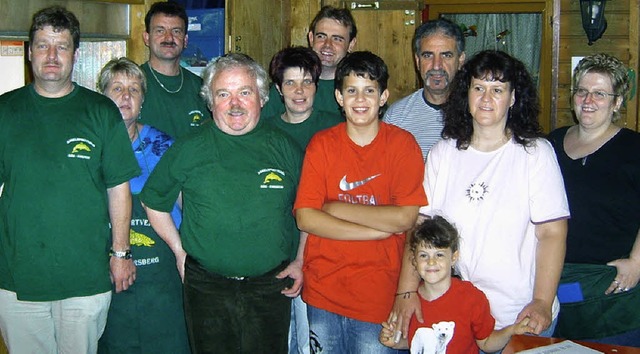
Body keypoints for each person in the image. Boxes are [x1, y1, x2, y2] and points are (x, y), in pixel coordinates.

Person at [389, 50, 570, 348]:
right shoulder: (443, 153)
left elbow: (552, 233)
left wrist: (541, 301)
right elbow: (421, 230)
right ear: (466, 95)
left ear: (512, 98)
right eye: (478, 88)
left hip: (520, 316)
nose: (487, 98)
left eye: (498, 90)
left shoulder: (536, 154)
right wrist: (406, 293)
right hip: (459, 315)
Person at [140, 53, 304, 353]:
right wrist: (179, 252)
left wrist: (301, 260)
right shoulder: (189, 147)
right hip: (206, 287)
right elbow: (153, 201)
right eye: (223, 94)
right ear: (210, 101)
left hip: (270, 287)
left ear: (262, 97)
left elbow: (309, 211)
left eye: (245, 92)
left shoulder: (286, 148)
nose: (235, 103)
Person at [0, 6, 140, 353]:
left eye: (61, 46)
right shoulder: (5, 111)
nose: (51, 55)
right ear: (29, 50)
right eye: (43, 45)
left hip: (86, 277)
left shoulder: (101, 111)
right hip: (16, 276)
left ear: (75, 54)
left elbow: (118, 187)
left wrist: (121, 252)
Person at [294, 51, 427, 353]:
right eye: (351, 90)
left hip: (379, 295)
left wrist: (335, 209)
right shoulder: (322, 144)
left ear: (384, 97)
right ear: (339, 97)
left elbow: (405, 218)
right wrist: (376, 230)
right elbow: (306, 218)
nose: (360, 99)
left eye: (370, 90)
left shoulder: (402, 145)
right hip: (323, 291)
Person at [95, 57, 189, 353]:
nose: (126, 96)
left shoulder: (164, 145)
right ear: (102, 95)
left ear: (143, 100)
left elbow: (186, 205)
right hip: (106, 266)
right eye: (117, 88)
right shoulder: (90, 147)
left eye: (134, 90)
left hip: (162, 272)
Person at [547, 53, 640, 346]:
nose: (588, 100)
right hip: (554, 282)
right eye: (582, 91)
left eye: (600, 94)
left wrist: (637, 263)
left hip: (610, 288)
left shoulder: (634, 148)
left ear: (617, 103)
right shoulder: (550, 143)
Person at [266, 46, 342, 354]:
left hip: (324, 250)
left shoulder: (336, 127)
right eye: (290, 83)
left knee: (314, 340)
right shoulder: (264, 130)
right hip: (277, 249)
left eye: (307, 82)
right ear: (278, 89)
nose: (299, 91)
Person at [379, 216, 533, 353]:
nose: (431, 262)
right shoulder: (409, 302)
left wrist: (510, 331)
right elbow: (414, 342)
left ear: (453, 257)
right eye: (424, 255)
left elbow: (486, 343)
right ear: (414, 260)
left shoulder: (471, 298)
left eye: (439, 255)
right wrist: (395, 341)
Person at [383, 18, 465, 160]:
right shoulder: (396, 117)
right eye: (428, 55)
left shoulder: (476, 112)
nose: (436, 66)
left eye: (446, 55)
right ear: (417, 61)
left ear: (461, 60)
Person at [262, 6, 357, 118]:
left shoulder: (359, 89)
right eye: (321, 36)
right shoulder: (284, 87)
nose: (327, 45)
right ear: (311, 38)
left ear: (351, 44)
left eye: (337, 39)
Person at [139, 1, 211, 139]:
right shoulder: (132, 84)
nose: (169, 38)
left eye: (176, 31)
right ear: (147, 38)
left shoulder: (202, 87)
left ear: (185, 40)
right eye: (160, 30)